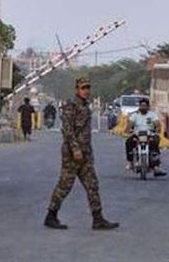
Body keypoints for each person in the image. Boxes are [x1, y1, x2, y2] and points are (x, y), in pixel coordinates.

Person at [44, 78, 118, 231]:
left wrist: (85, 150)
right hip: (72, 153)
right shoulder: (71, 106)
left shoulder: (85, 106)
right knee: (65, 185)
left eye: (88, 88)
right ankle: (51, 215)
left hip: (85, 153)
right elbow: (67, 130)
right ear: (77, 89)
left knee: (92, 185)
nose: (86, 91)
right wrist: (75, 148)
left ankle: (98, 219)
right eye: (83, 88)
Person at [124, 98, 166, 176]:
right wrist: (127, 130)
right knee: (128, 142)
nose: (143, 107)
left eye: (144, 106)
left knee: (155, 142)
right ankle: (130, 162)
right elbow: (130, 124)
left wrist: (157, 129)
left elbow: (157, 124)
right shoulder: (135, 115)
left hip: (149, 134)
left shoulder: (152, 115)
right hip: (137, 135)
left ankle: (156, 166)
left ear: (148, 106)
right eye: (141, 106)